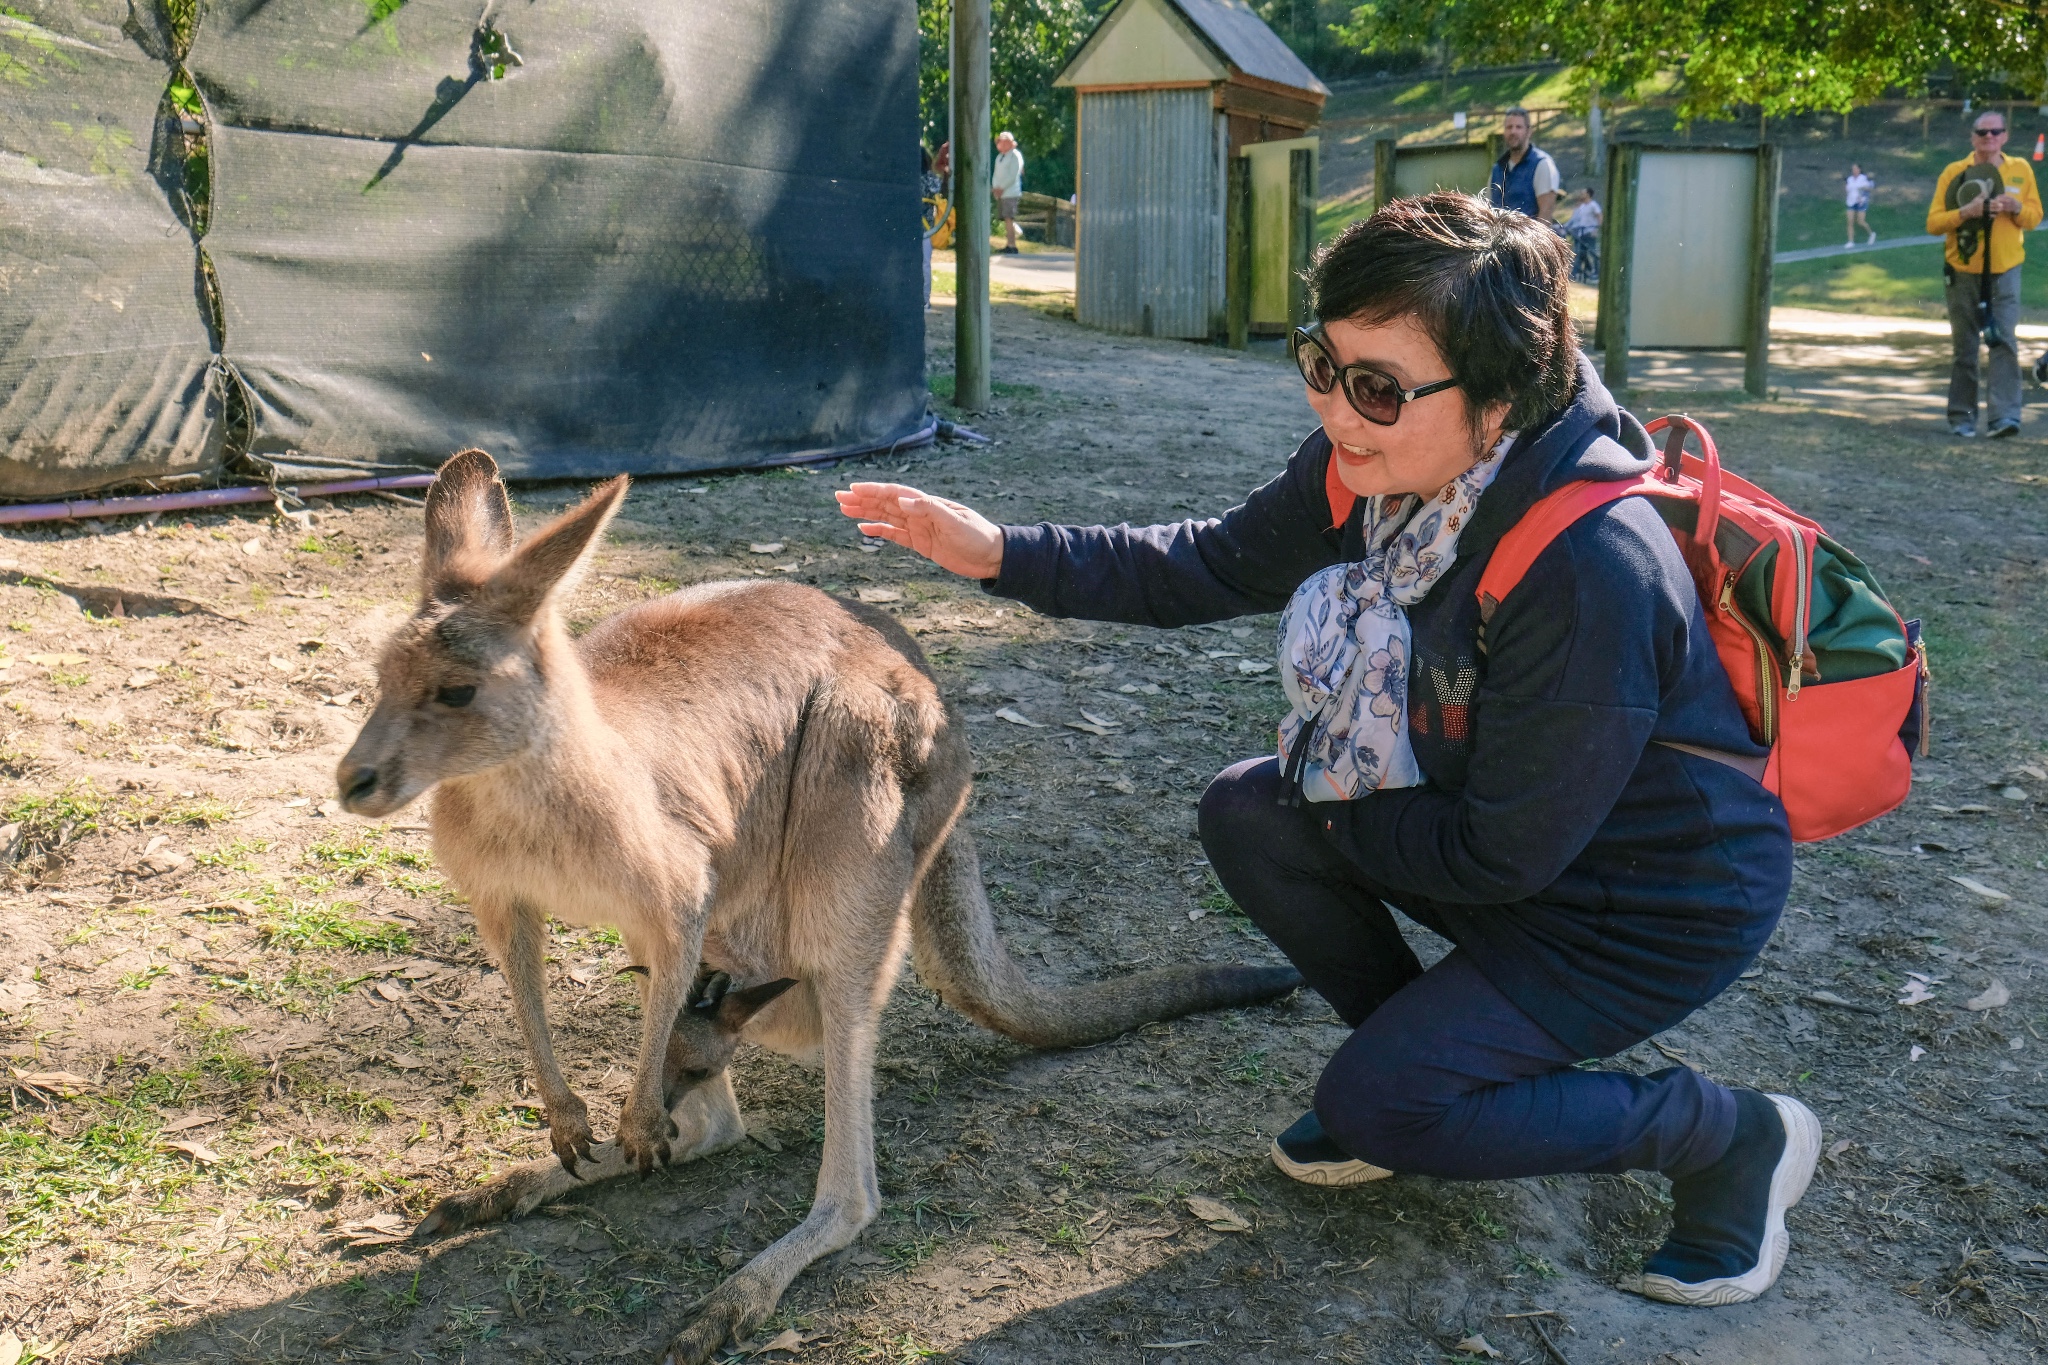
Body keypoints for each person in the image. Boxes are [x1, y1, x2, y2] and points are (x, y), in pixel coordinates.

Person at [837, 192, 1818, 1310]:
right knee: (1248, 813)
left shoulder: (1592, 563)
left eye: (1378, 387)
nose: (1336, 411)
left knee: (1374, 1089)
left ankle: (1731, 1137)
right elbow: (1204, 565)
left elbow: (1501, 857)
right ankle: (1431, 1069)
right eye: (1323, 363)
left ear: (1498, 398)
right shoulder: (1382, 470)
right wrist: (999, 551)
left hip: (1641, 909)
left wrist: (1328, 796)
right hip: (1516, 846)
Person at [1927, 111, 2042, 439]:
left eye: (1996, 132)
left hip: (2005, 270)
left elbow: (2034, 217)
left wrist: (2016, 208)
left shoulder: (2020, 170)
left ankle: (2004, 418)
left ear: (2005, 135)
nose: (1989, 137)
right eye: (1982, 132)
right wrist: (1966, 212)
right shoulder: (1955, 172)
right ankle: (1961, 418)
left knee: (2004, 341)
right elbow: (1933, 223)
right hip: (1963, 271)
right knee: (1964, 346)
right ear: (1973, 136)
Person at [1487, 108, 1558, 220]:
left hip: (1530, 237)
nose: (1513, 132)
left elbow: (1545, 216)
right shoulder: (1498, 168)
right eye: (1509, 127)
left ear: (1529, 132)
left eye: (1518, 127)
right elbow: (1488, 211)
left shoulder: (1542, 164)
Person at [992, 131, 1024, 255]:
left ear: (1011, 143)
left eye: (1005, 141)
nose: (1002, 144)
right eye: (1000, 141)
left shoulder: (1015, 156)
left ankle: (1012, 245)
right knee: (1006, 219)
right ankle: (1009, 244)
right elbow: (995, 175)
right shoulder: (999, 157)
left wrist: (1002, 188)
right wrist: (996, 188)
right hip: (1001, 193)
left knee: (1009, 218)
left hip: (1011, 192)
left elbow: (1013, 175)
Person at [1563, 186, 1602, 283]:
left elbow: (1599, 216)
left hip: (1590, 232)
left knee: (1592, 252)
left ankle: (1597, 273)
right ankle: (1585, 272)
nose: (1581, 194)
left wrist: (1596, 229)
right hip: (1582, 233)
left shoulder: (1593, 205)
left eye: (1583, 193)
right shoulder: (1582, 206)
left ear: (1588, 194)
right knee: (1581, 253)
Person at [920, 145, 943, 308]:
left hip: (908, 228)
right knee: (925, 264)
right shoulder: (931, 179)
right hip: (925, 228)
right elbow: (937, 186)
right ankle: (924, 300)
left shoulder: (905, 178)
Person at [1844, 163, 1876, 247]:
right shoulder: (1850, 179)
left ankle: (1871, 234)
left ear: (1859, 169)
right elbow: (1847, 189)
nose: (1854, 170)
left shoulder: (1863, 178)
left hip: (1861, 202)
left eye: (1855, 169)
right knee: (1850, 221)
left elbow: (1869, 188)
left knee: (1860, 221)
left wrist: (1863, 189)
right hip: (1851, 201)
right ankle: (1850, 241)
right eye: (1853, 169)